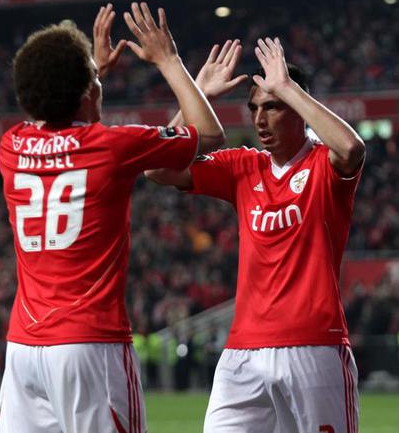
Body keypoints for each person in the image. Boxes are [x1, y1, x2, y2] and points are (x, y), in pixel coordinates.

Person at [0, 2, 224, 433]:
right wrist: (170, 62)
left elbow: (52, 111)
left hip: (23, 347)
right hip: (89, 345)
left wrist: (90, 74)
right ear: (87, 93)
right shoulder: (112, 147)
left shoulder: (12, 145)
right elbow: (208, 134)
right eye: (94, 80)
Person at [148, 37, 366, 433]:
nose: (260, 120)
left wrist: (286, 87)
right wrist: (198, 96)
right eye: (254, 109)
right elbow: (158, 169)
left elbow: (351, 149)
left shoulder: (323, 165)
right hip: (242, 352)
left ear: (297, 106)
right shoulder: (243, 167)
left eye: (272, 107)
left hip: (314, 347)